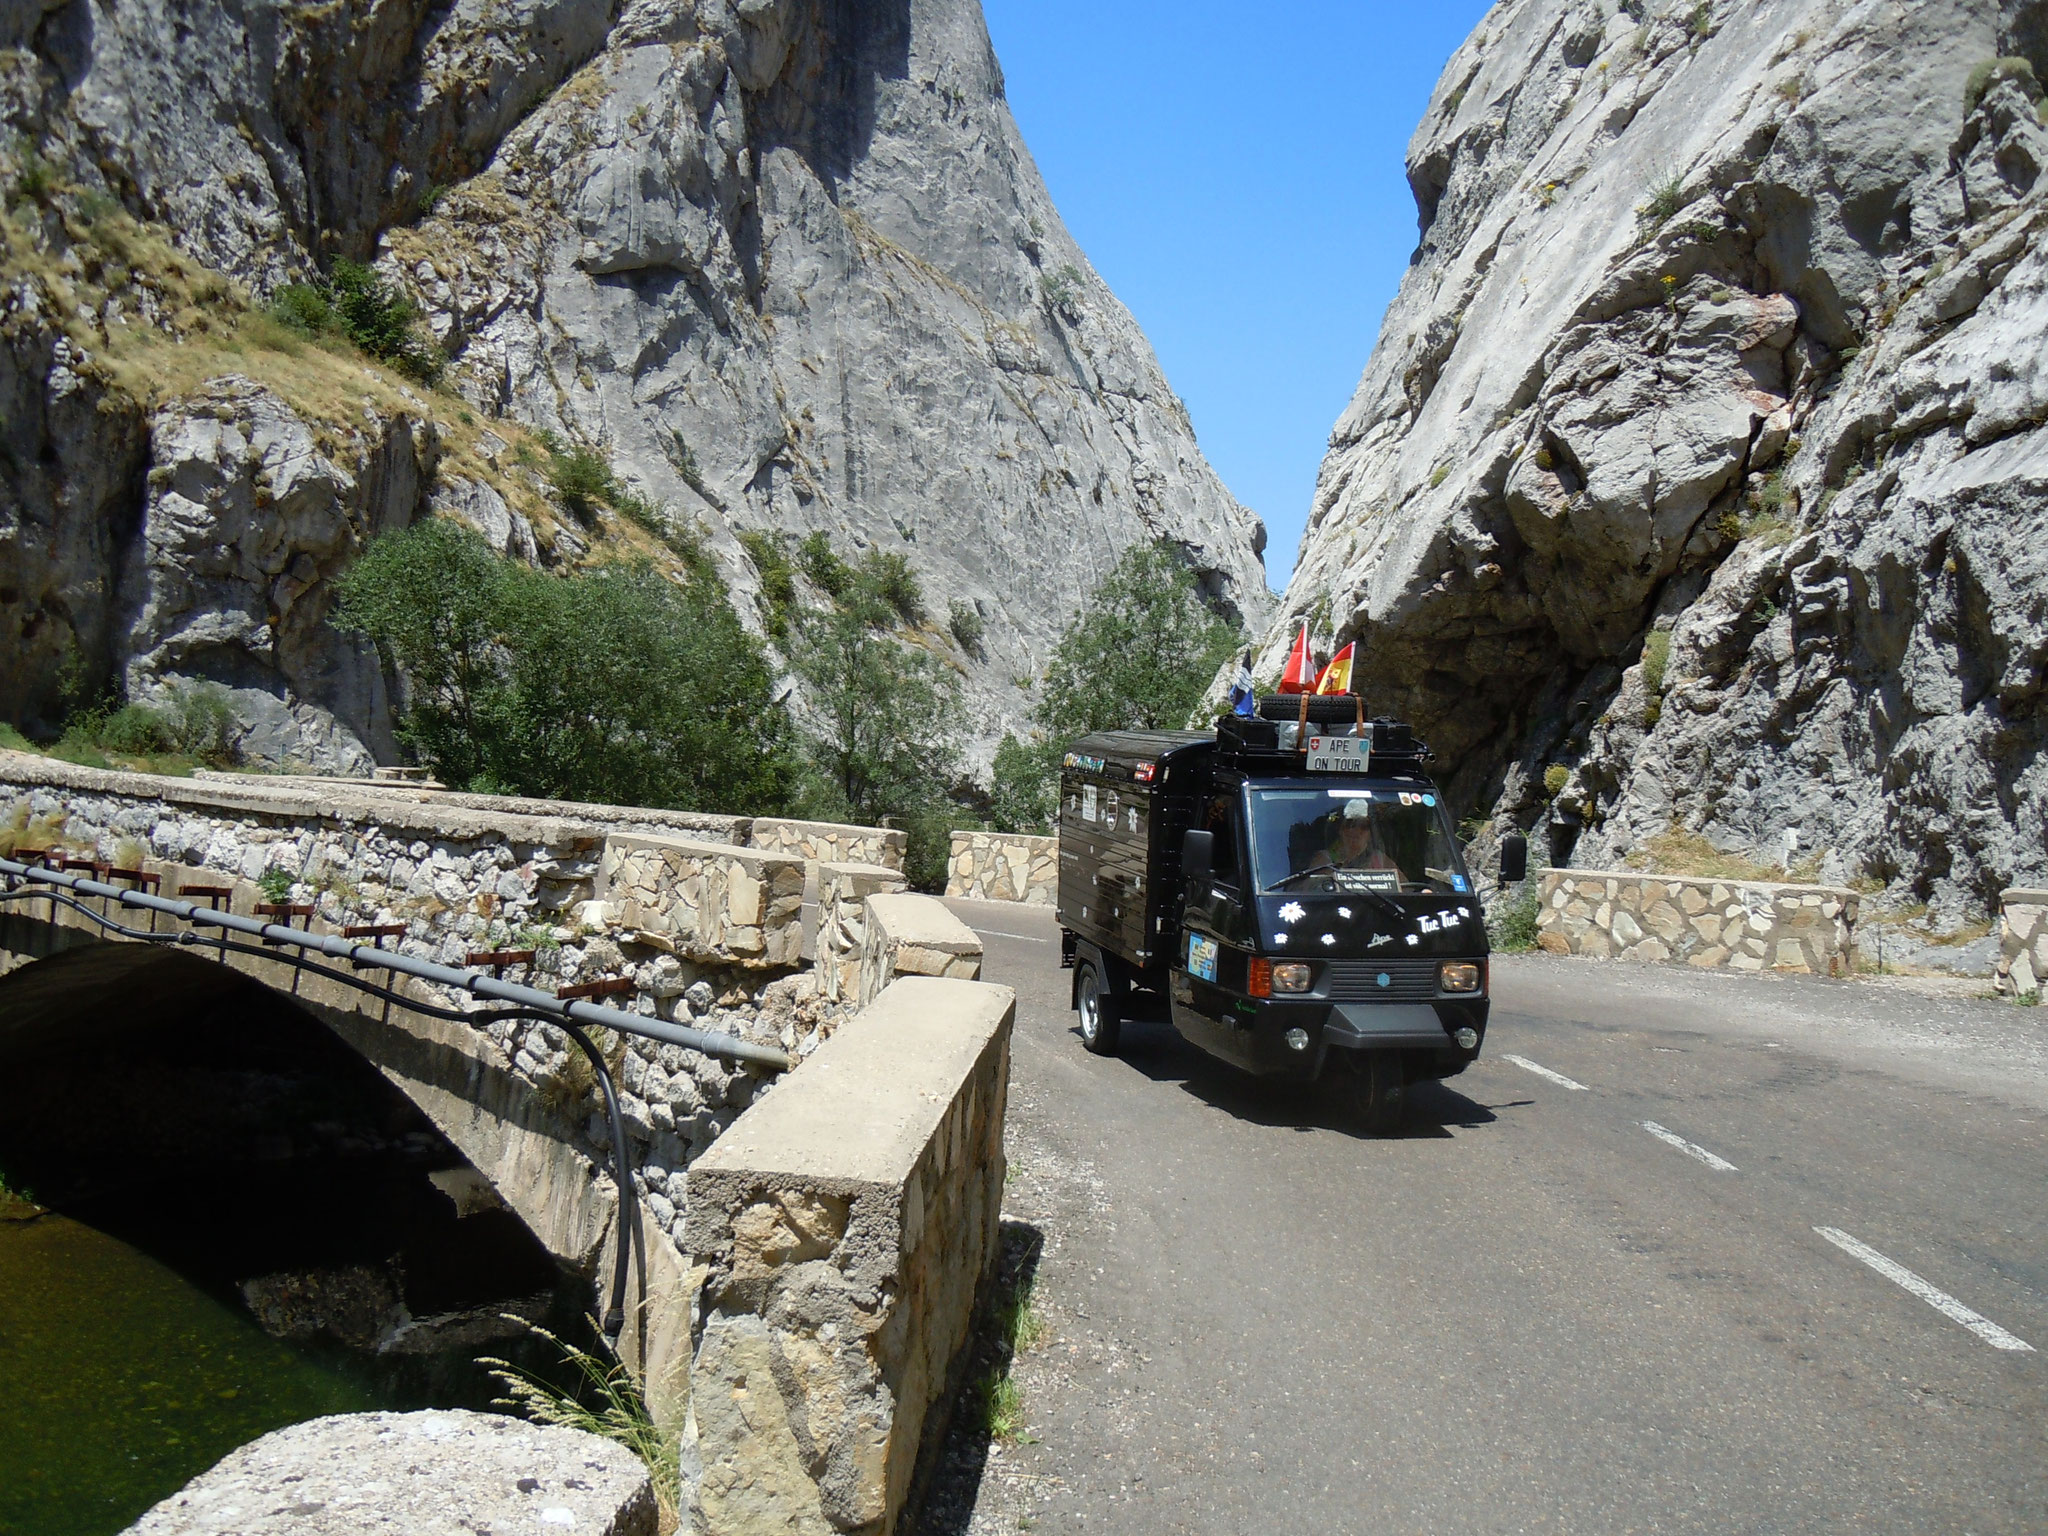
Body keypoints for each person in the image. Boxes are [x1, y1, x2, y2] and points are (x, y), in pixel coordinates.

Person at [1308, 797, 1399, 876]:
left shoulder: (1379, 860)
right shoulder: (1325, 860)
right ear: (1340, 830)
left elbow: (1405, 890)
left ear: (1370, 834)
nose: (1356, 831)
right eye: (1350, 824)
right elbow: (1309, 890)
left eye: (1364, 826)